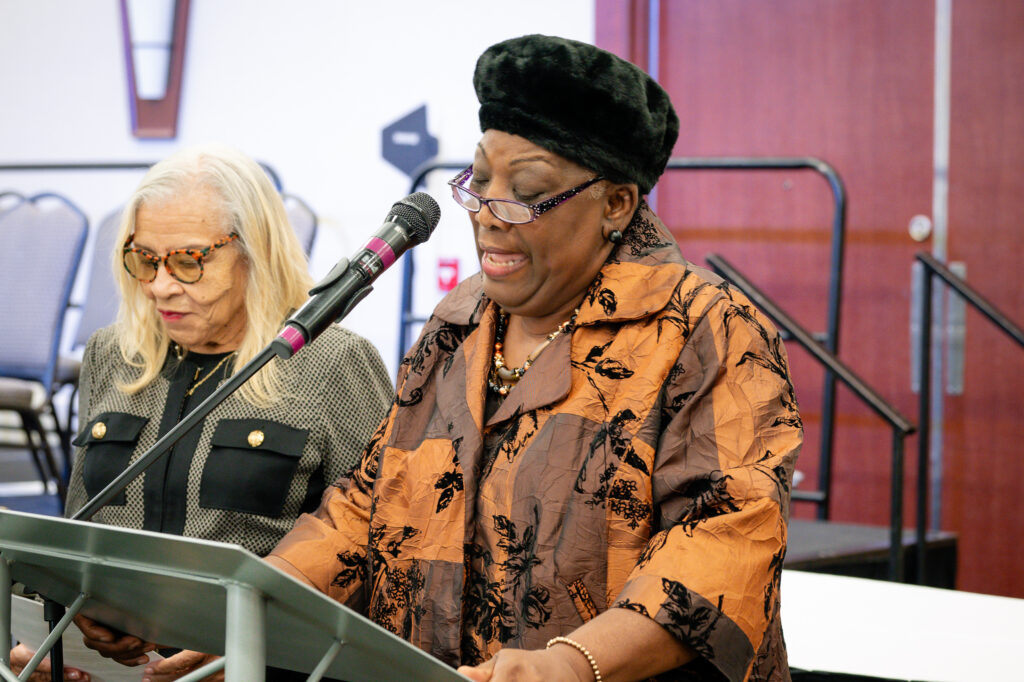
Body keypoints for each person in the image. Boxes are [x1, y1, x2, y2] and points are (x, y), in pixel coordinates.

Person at [263, 34, 802, 682]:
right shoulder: (458, 322)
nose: (487, 216)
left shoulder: (707, 329)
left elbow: (724, 540)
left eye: (525, 191)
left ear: (616, 204)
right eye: (478, 182)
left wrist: (571, 666)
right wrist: (252, 606)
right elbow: (369, 505)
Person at [8, 144, 394, 681]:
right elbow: (80, 538)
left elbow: (381, 555)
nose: (160, 286)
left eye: (189, 261)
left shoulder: (333, 362)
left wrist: (258, 641)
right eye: (144, 259)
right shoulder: (111, 354)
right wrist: (54, 632)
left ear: (253, 250)